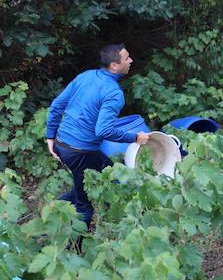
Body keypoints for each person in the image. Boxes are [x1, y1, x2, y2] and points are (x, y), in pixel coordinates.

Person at [45, 43, 150, 228]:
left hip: (63, 145)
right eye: (127, 58)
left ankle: (59, 207)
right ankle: (71, 247)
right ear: (114, 65)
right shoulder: (114, 93)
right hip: (79, 153)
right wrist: (135, 138)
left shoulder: (85, 76)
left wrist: (50, 137)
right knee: (84, 207)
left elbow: (56, 106)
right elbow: (103, 131)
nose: (131, 60)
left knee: (111, 173)